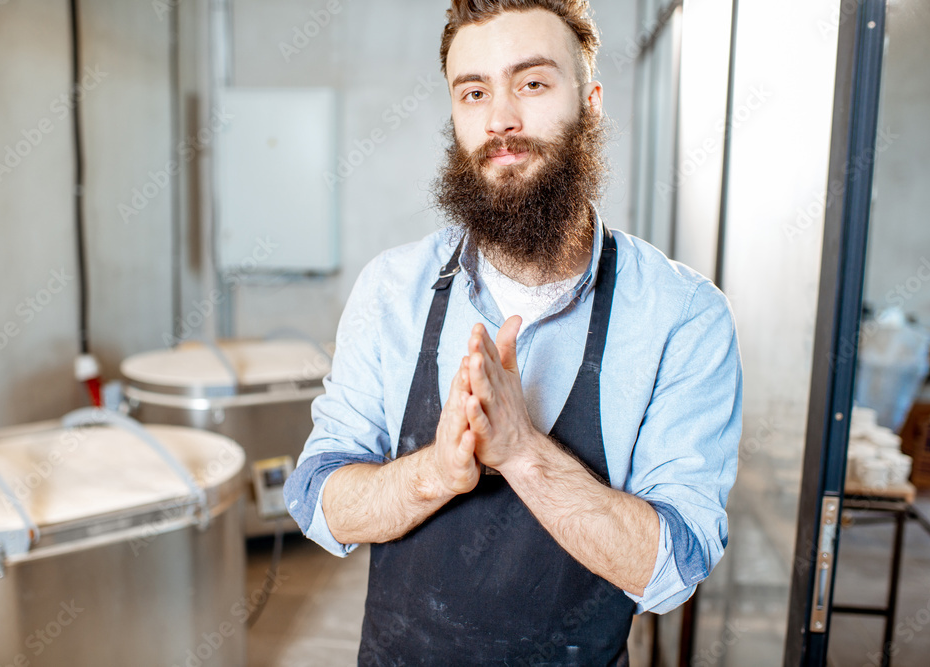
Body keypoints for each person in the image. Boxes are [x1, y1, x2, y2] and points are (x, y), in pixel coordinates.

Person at [284, 1, 743, 664]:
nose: (500, 118)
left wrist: (522, 451)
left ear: (590, 103)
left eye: (532, 83)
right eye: (474, 92)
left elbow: (671, 566)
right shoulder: (393, 292)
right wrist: (437, 471)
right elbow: (320, 499)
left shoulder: (682, 317)